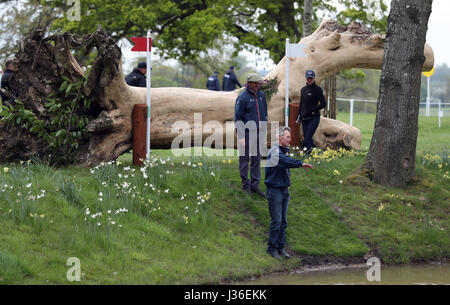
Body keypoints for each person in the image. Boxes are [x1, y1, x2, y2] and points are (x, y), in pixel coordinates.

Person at [265, 126, 314, 259]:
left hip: (284, 190)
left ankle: (281, 248)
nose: (290, 139)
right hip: (274, 191)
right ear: (280, 138)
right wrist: (300, 163)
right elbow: (284, 161)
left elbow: (284, 166)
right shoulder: (275, 151)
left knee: (283, 222)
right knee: (277, 221)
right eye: (288, 137)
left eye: (290, 137)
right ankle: (272, 249)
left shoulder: (282, 150)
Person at [234, 72, 268, 197]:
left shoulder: (262, 95)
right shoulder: (242, 97)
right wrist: (241, 136)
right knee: (244, 160)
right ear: (249, 83)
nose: (258, 85)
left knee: (256, 159)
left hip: (259, 132)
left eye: (259, 83)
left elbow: (265, 113)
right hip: (247, 133)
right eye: (256, 83)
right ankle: (245, 184)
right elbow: (238, 118)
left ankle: (255, 185)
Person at [296, 70, 327, 154]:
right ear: (306, 78)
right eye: (308, 78)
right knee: (307, 138)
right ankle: (318, 152)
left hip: (314, 118)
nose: (309, 80)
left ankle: (307, 157)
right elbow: (301, 104)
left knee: (307, 138)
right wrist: (299, 116)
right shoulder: (303, 89)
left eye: (311, 78)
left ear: (314, 78)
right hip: (304, 118)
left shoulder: (317, 89)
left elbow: (323, 104)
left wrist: (314, 110)